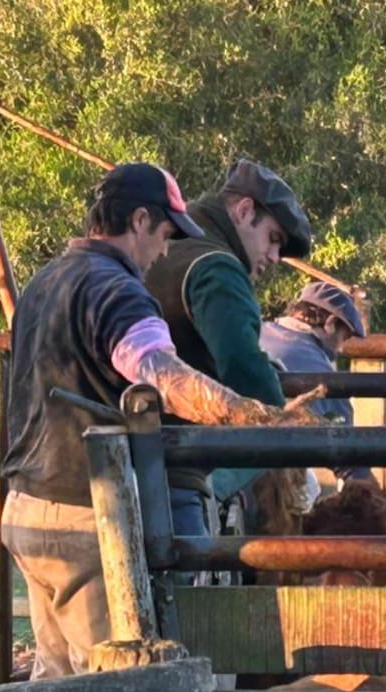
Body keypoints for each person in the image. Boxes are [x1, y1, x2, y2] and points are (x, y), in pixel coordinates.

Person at [2, 161, 322, 679]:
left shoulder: (46, 281)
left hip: (26, 506)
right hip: (89, 515)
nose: (165, 250)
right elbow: (157, 372)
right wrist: (246, 412)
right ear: (141, 221)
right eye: (166, 234)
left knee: (55, 684)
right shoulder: (118, 290)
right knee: (116, 687)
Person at [144, 158, 314, 529]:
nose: (273, 257)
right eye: (273, 239)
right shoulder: (217, 269)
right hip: (174, 475)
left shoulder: (163, 245)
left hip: (111, 463)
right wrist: (284, 414)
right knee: (180, 582)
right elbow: (247, 375)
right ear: (245, 210)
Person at [261, 281, 374, 484]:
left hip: (214, 463)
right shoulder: (315, 366)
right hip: (263, 477)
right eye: (344, 337)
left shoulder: (258, 331)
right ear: (330, 323)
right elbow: (347, 452)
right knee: (309, 487)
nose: (340, 349)